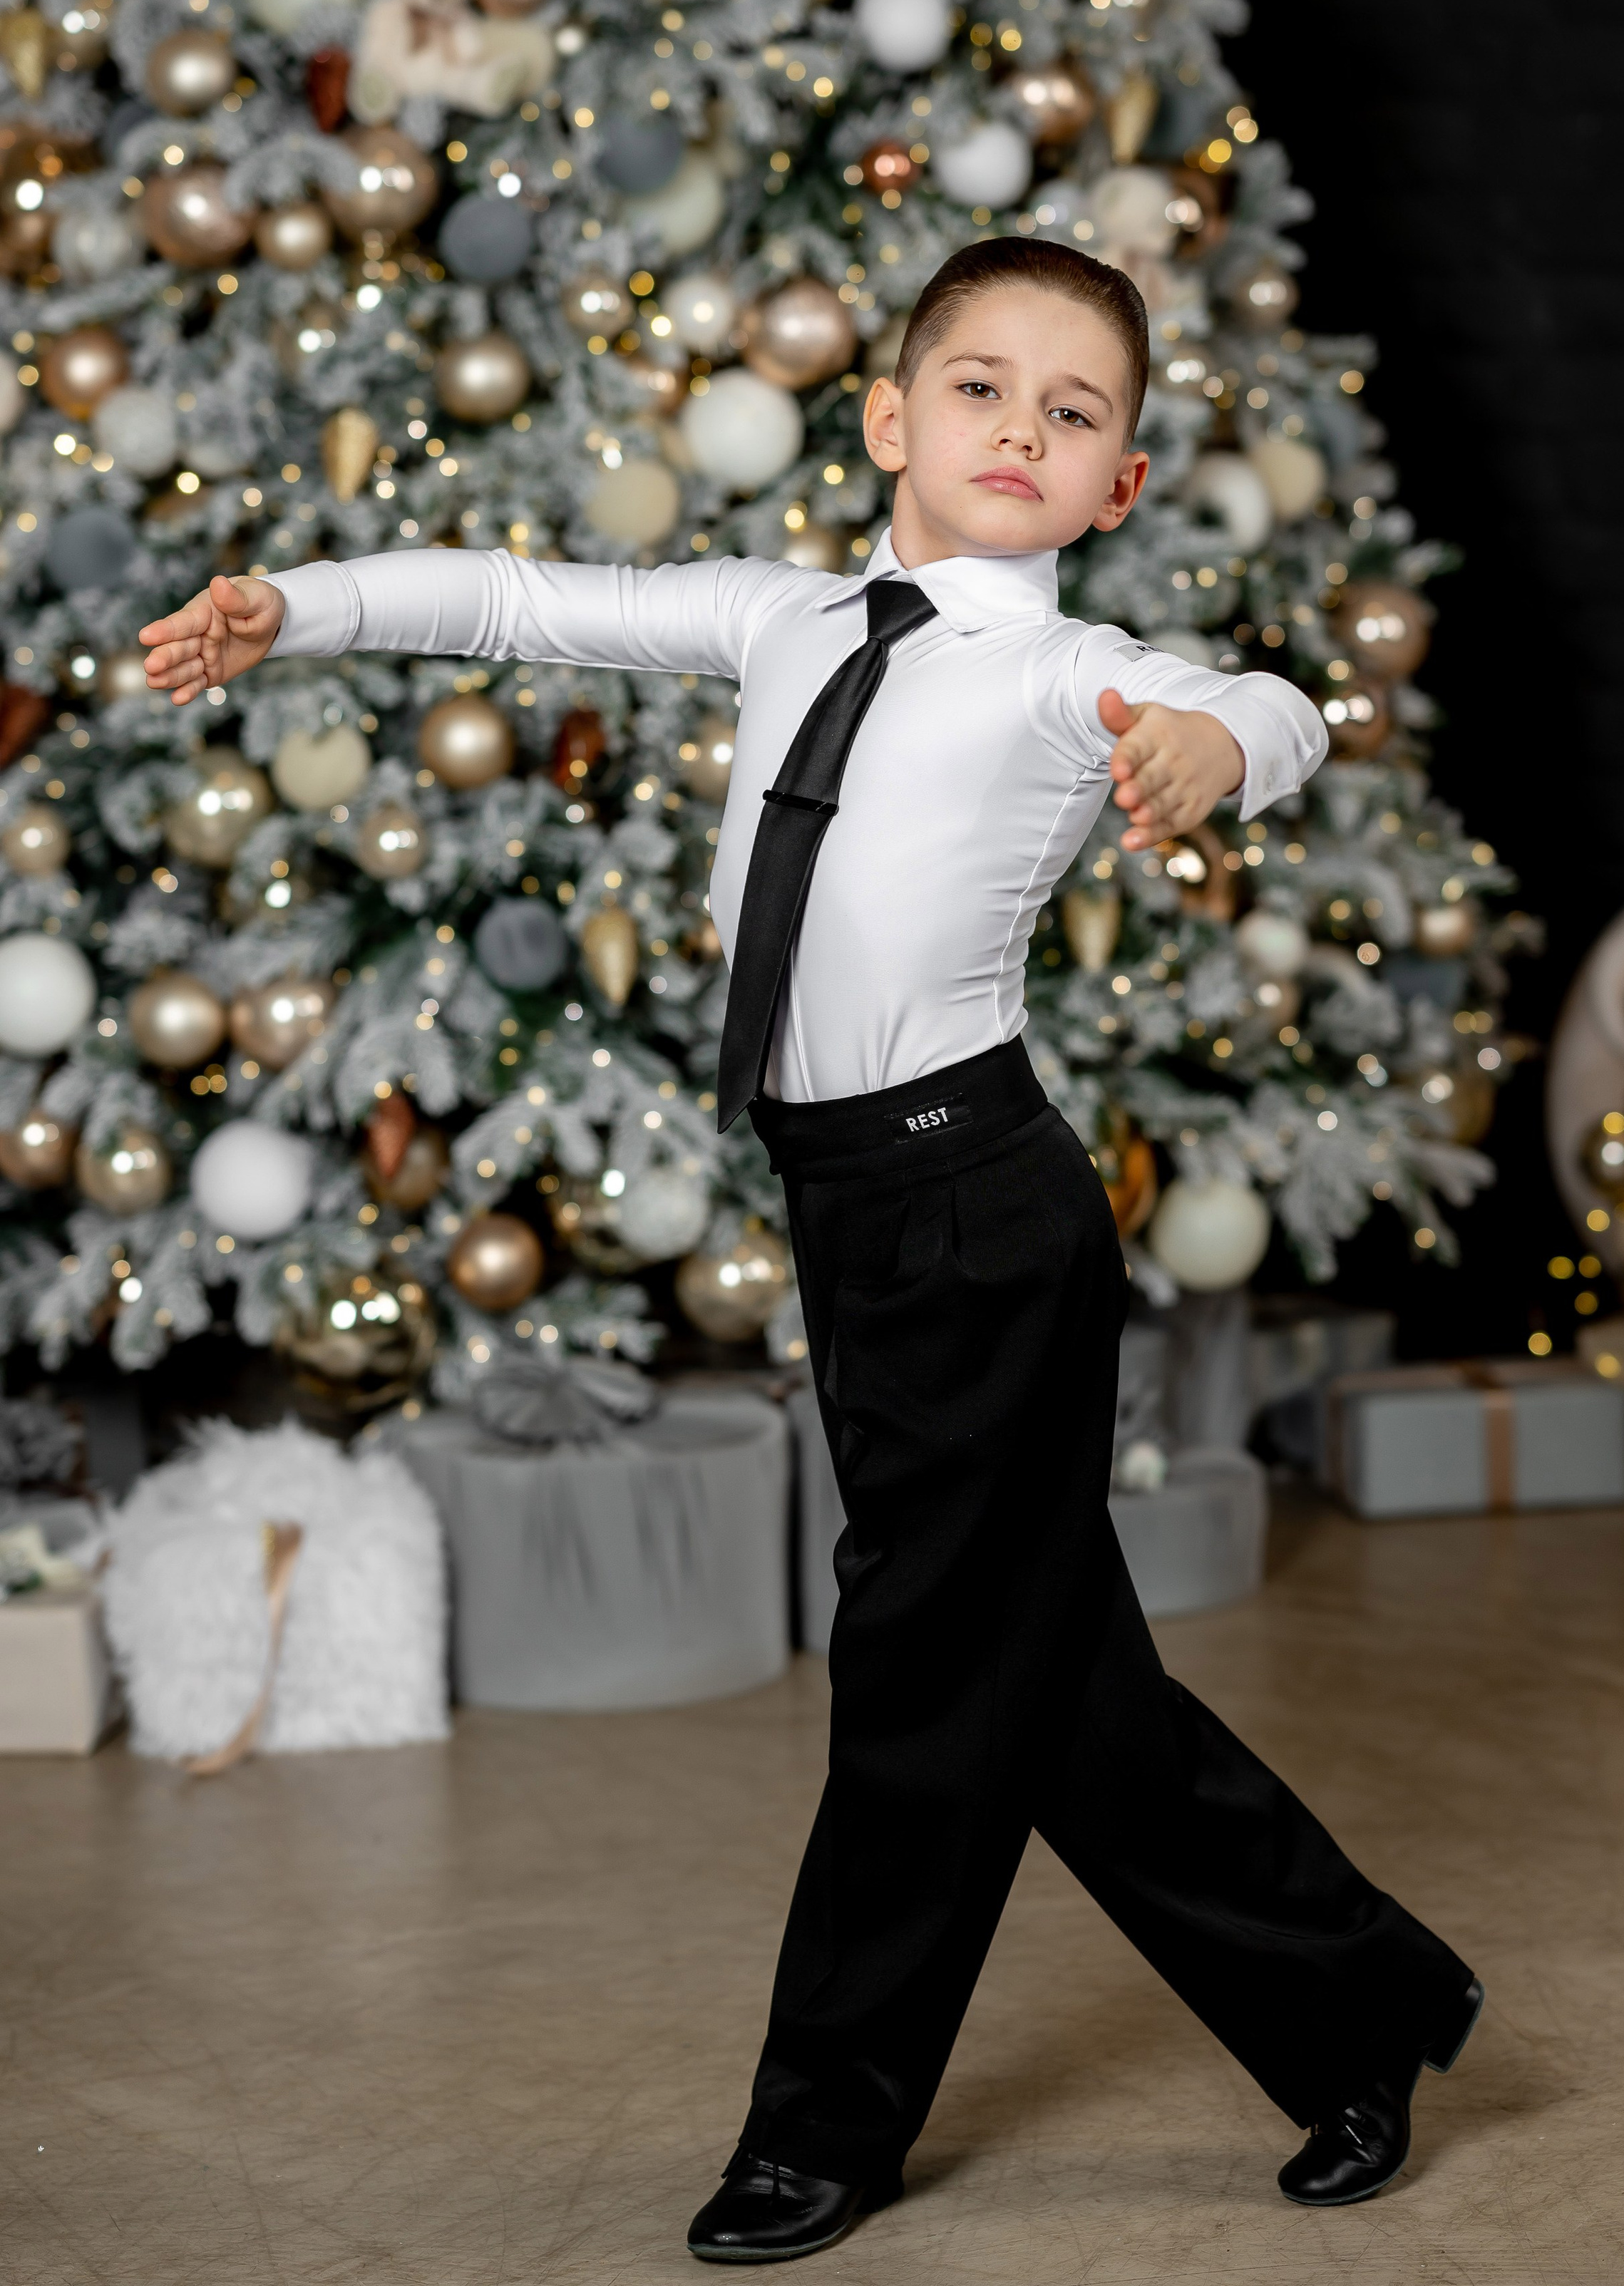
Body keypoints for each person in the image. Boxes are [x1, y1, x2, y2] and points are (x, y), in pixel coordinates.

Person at [142, 239, 1481, 2260]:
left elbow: (1249, 701)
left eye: (1076, 411)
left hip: (979, 1215)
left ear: (1120, 485)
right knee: (1048, 1681)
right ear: (887, 420)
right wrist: (293, 608)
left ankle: (826, 2126)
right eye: (981, 388)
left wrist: (1225, 751)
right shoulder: (782, 617)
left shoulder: (1054, 668)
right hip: (854, 1211)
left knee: (928, 1681)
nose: (1023, 429)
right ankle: (1368, 2000)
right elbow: (520, 597)